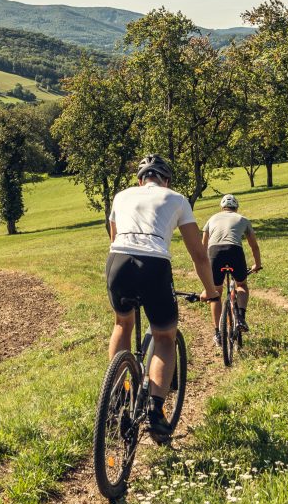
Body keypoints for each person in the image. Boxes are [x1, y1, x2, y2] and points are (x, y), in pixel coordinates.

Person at [107, 153, 219, 440]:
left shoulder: (120, 196)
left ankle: (116, 396)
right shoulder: (178, 199)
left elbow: (114, 237)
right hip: (154, 265)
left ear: (140, 179)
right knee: (165, 337)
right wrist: (210, 290)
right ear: (166, 180)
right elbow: (199, 255)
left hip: (118, 262)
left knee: (122, 324)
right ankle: (156, 412)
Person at [201, 192, 264, 332]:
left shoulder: (211, 219)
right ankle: (240, 317)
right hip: (234, 251)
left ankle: (217, 332)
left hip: (215, 253)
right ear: (236, 207)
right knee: (241, 285)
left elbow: (203, 247)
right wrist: (257, 265)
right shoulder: (243, 219)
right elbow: (254, 246)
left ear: (221, 207)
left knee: (216, 292)